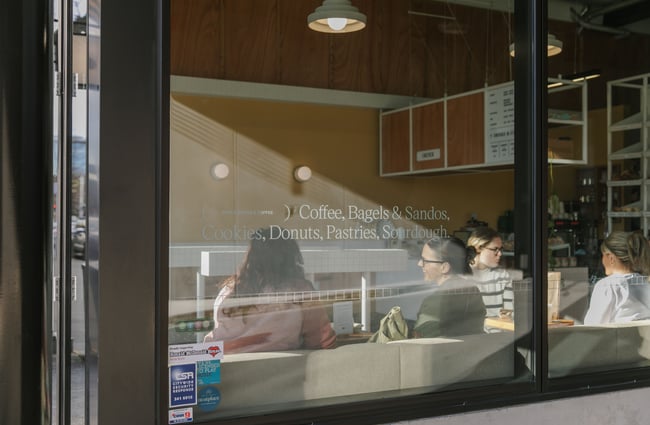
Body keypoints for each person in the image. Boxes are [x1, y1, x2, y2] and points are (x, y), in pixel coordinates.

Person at [203, 227, 337, 353]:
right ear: (290, 257)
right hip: (280, 371)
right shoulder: (299, 291)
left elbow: (218, 336)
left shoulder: (229, 290)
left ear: (250, 256)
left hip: (227, 369)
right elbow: (322, 340)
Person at [413, 236, 487, 338]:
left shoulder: (434, 301)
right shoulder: (472, 290)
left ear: (444, 267)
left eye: (425, 260)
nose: (420, 264)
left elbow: (422, 339)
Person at [584, 231, 650, 325]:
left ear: (611, 258)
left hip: (617, 339)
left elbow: (592, 326)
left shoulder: (608, 286)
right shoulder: (646, 283)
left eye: (602, 256)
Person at [466, 227, 514, 318]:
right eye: (495, 249)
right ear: (478, 248)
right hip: (473, 331)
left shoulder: (502, 276)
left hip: (498, 330)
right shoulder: (463, 275)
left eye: (500, 249)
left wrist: (508, 313)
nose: (500, 254)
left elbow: (510, 312)